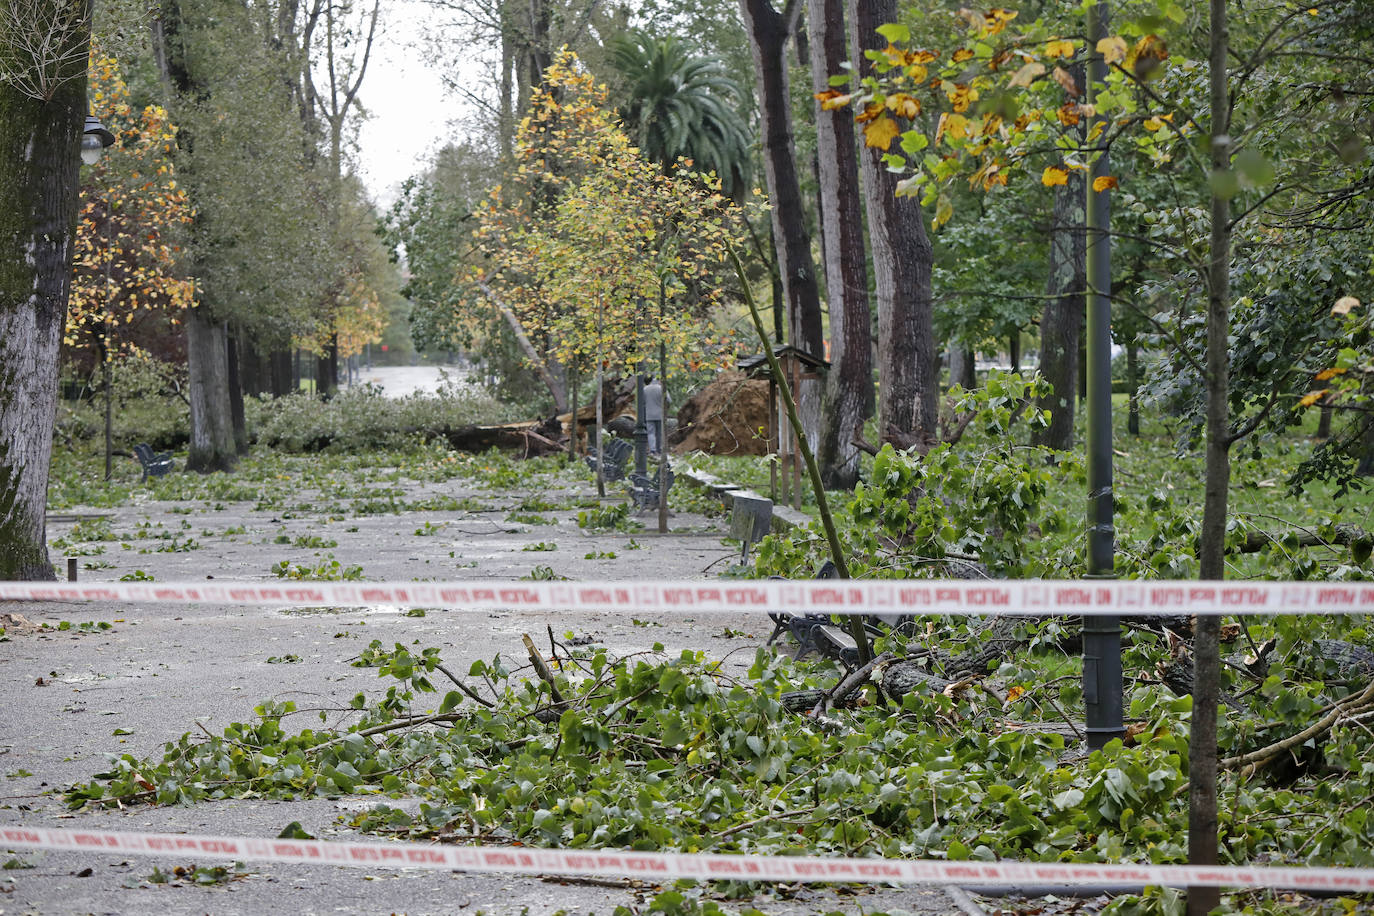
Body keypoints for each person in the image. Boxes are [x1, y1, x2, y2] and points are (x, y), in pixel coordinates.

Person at [643, 375, 665, 455]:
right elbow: (668, 400)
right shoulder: (661, 388)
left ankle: (652, 450)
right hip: (660, 414)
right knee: (659, 433)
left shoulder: (645, 389)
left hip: (649, 415)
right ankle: (659, 449)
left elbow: (641, 402)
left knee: (651, 433)